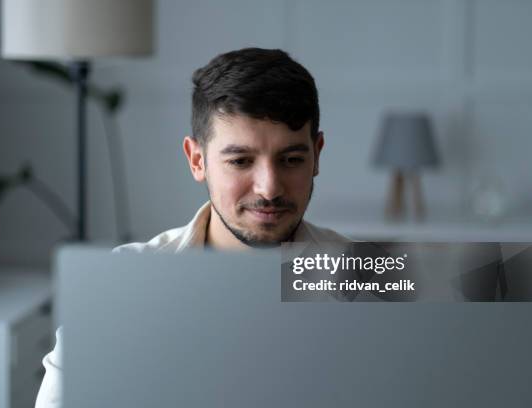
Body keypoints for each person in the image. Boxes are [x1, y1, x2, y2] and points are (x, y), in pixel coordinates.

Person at [34, 47, 347, 408]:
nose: (269, 187)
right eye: (241, 161)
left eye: (291, 159)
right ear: (198, 161)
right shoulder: (124, 281)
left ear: (317, 155)